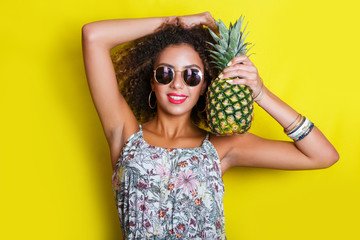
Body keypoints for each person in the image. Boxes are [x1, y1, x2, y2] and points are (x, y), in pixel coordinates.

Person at [82, 12, 339, 239]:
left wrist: (261, 93)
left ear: (205, 85)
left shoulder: (221, 147)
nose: (178, 84)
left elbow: (323, 155)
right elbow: (93, 36)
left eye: (191, 75)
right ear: (152, 82)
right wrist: (179, 24)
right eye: (165, 73)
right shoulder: (125, 135)